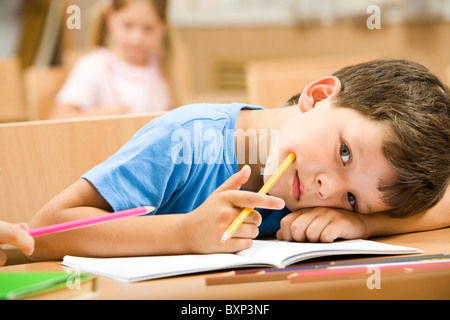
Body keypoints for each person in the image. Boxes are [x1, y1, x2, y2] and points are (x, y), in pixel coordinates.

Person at [29, 59, 450, 260]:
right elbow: (48, 229)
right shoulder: (187, 141)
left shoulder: (316, 191)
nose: (328, 189)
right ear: (318, 96)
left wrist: (363, 221)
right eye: (344, 153)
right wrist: (186, 233)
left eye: (353, 197)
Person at [51, 0, 177, 119]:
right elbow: (58, 119)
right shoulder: (93, 65)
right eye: (128, 26)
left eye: (148, 28)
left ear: (162, 27)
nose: (137, 38)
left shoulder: (162, 67)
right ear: (110, 18)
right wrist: (103, 116)